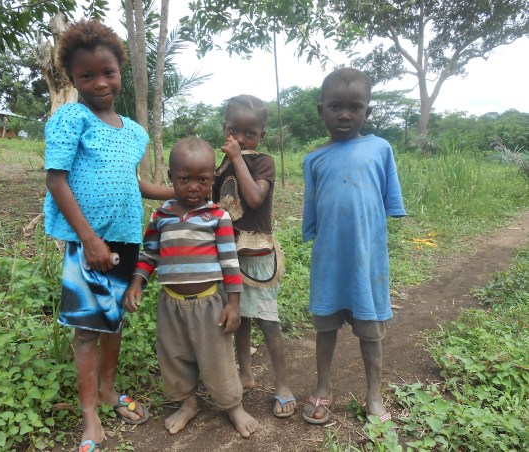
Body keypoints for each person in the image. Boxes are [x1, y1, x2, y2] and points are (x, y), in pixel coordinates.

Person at [43, 20, 172, 452]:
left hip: (125, 238)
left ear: (120, 71)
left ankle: (107, 391)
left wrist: (181, 192)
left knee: (114, 320)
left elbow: (135, 183)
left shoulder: (134, 132)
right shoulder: (71, 119)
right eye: (87, 75)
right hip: (88, 242)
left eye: (108, 72)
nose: (100, 83)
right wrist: (89, 240)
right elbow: (56, 180)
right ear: (72, 78)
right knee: (86, 330)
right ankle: (90, 417)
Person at [123, 137, 259, 438]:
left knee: (217, 358)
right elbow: (149, 254)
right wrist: (137, 282)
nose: (194, 187)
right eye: (185, 179)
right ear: (171, 177)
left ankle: (232, 405)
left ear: (212, 180)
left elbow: (230, 263)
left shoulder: (217, 217)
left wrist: (233, 304)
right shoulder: (160, 216)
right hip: (170, 304)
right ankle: (187, 403)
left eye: (203, 180)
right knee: (174, 356)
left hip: (209, 304)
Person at [301, 68, 406, 425]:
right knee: (325, 328)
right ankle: (323, 386)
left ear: (367, 111)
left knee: (371, 332)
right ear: (321, 110)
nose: (344, 115)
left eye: (355, 107)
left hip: (367, 261)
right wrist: (311, 233)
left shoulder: (381, 149)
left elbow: (389, 201)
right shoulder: (313, 160)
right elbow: (312, 209)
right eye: (335, 107)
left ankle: (374, 394)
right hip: (329, 260)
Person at [213, 95, 295, 418]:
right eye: (234, 130)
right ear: (224, 128)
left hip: (257, 254)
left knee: (267, 321)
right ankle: (245, 374)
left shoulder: (263, 162)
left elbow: (255, 198)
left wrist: (237, 158)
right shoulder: (220, 166)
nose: (241, 138)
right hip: (229, 254)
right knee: (240, 319)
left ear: (262, 134)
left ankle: (283, 385)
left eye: (250, 133)